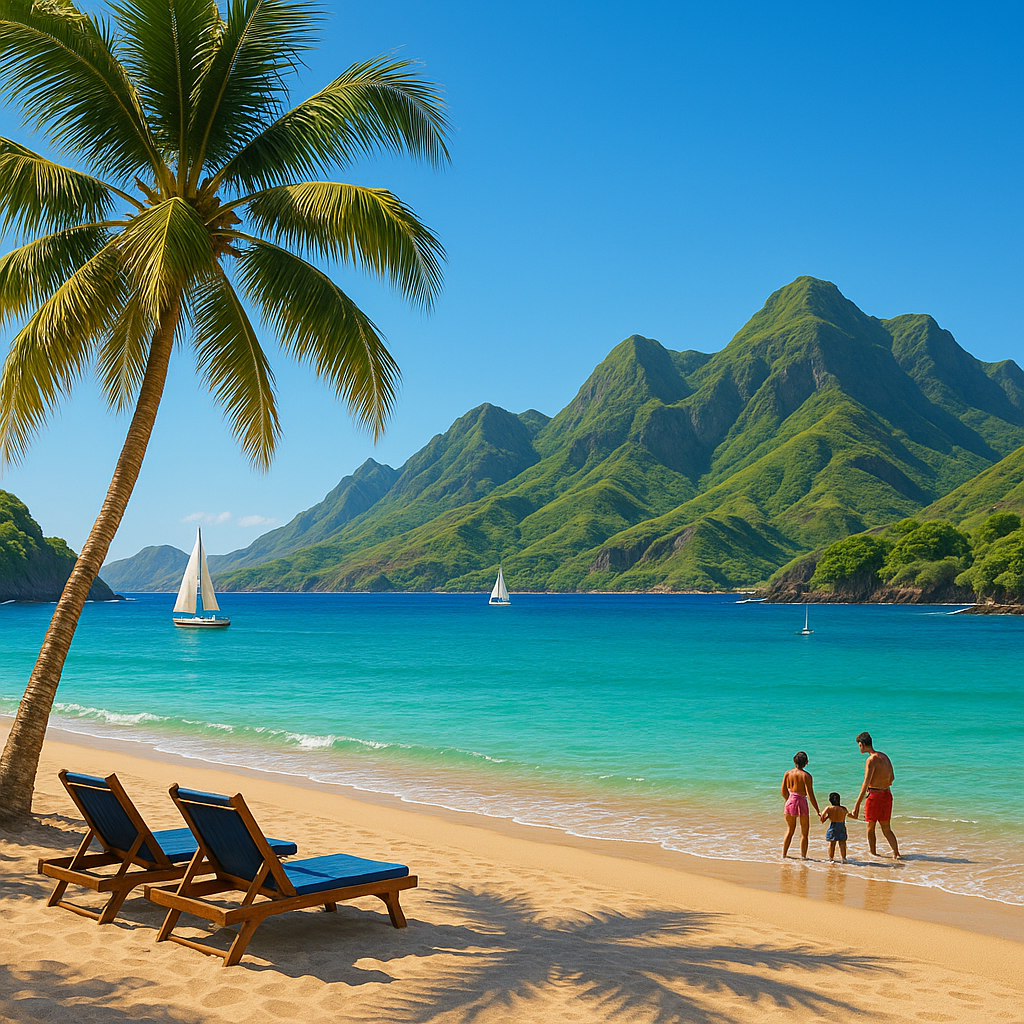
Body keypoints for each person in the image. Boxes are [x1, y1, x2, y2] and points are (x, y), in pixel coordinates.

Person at [850, 731, 901, 859]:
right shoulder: (884, 756)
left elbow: (865, 784)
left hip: (874, 796)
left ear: (862, 744)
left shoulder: (871, 759)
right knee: (886, 829)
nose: (859, 748)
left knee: (870, 827)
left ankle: (873, 854)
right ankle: (896, 853)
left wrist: (856, 806)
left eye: (859, 745)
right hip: (887, 794)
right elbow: (892, 778)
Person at [781, 751, 820, 859]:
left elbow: (783, 791)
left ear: (794, 761)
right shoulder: (807, 776)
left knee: (790, 830)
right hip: (801, 803)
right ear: (806, 762)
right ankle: (803, 857)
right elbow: (810, 795)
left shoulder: (787, 773)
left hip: (790, 801)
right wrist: (817, 810)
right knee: (804, 833)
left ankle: (784, 855)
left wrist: (788, 800)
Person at [820, 792, 849, 863]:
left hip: (833, 826)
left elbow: (822, 819)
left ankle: (831, 859)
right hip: (842, 826)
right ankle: (844, 859)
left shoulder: (829, 808)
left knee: (832, 844)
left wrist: (827, 816)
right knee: (842, 843)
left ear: (830, 800)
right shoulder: (843, 808)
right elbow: (849, 815)